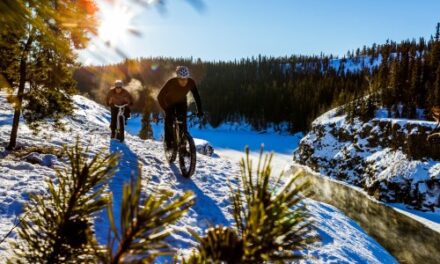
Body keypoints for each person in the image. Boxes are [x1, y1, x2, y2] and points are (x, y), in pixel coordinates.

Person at [157, 66, 203, 150]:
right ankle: (168, 143)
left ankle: (183, 147)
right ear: (177, 78)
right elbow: (160, 97)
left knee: (183, 124)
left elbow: (197, 97)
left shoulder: (191, 82)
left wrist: (199, 110)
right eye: (181, 79)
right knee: (169, 121)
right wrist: (166, 110)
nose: (184, 82)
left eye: (185, 79)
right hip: (169, 102)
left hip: (182, 102)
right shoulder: (171, 82)